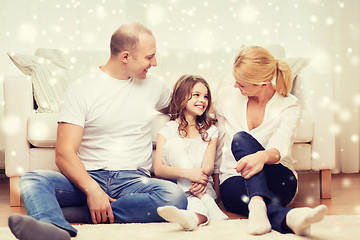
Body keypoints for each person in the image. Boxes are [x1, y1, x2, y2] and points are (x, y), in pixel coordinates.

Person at [8, 23, 187, 240]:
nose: (155, 63)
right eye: (149, 57)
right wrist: (93, 190)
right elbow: (64, 153)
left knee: (174, 196)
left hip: (134, 181)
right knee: (31, 180)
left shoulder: (154, 86)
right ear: (126, 57)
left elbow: (180, 110)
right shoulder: (83, 89)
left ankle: (68, 217)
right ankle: (55, 230)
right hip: (88, 177)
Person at [215, 46, 328, 236]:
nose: (235, 86)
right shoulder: (227, 96)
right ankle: (289, 218)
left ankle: (258, 204)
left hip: (279, 179)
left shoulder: (289, 105)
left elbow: (280, 146)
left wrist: (261, 157)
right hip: (235, 181)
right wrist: (215, 186)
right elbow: (218, 142)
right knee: (238, 147)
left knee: (240, 139)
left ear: (263, 83)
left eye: (242, 84)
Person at [154, 75, 228, 231]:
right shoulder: (167, 131)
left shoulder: (211, 131)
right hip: (179, 190)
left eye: (206, 96)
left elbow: (208, 167)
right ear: (181, 98)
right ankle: (203, 204)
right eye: (197, 95)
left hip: (202, 186)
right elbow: (159, 170)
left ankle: (191, 218)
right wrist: (188, 174)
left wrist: (198, 181)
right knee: (174, 144)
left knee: (195, 202)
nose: (203, 100)